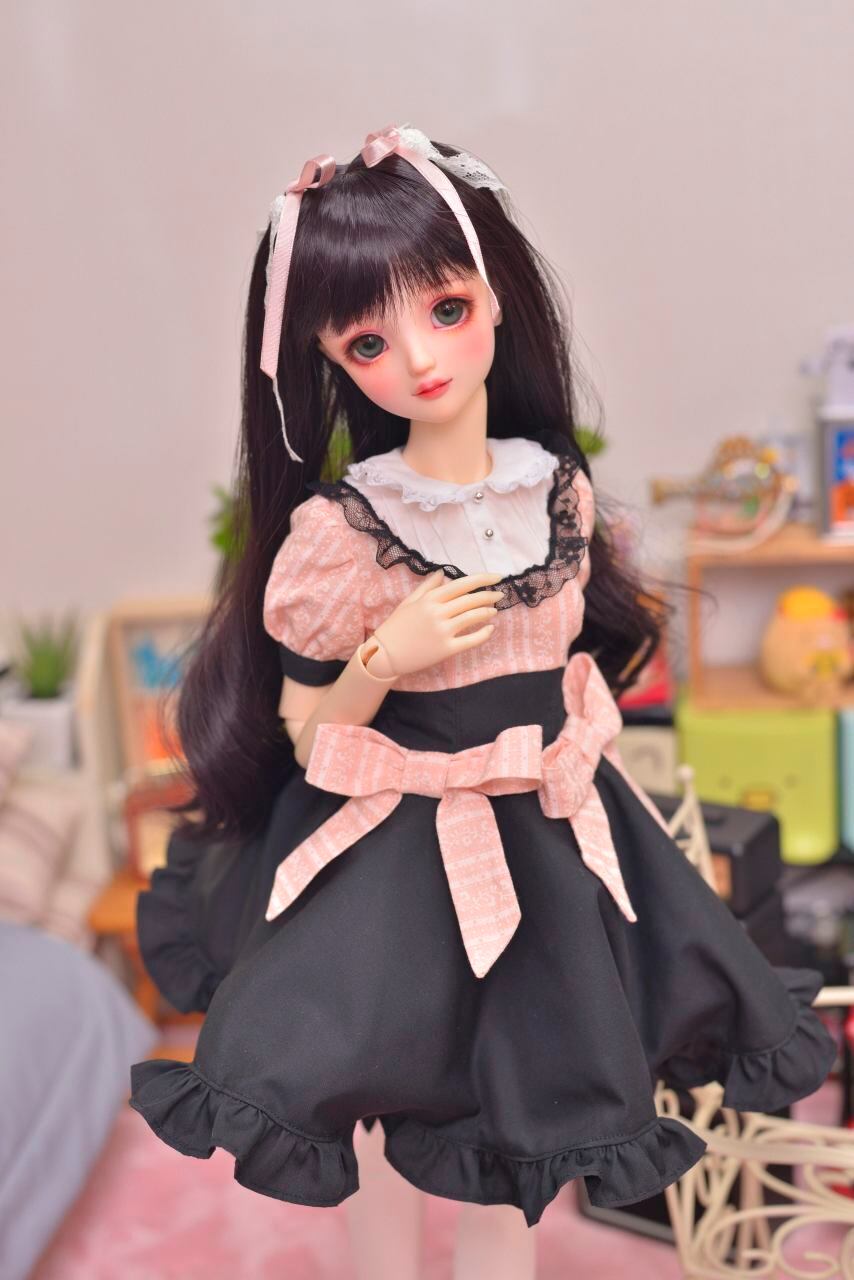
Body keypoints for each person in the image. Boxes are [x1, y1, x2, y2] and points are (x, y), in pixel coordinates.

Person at [129, 124, 837, 1279]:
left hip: (542, 842)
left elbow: (566, 677)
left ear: (494, 297)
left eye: (445, 308)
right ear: (328, 357)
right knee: (368, 1091)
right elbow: (308, 730)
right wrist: (384, 655)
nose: (418, 358)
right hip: (388, 858)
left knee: (526, 1108)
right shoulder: (342, 530)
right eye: (368, 339)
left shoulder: (555, 494)